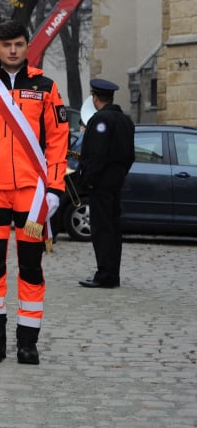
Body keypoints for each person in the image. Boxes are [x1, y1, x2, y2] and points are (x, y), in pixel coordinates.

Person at [0, 19, 70, 365]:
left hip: (32, 195)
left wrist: (54, 188)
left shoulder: (47, 88)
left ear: (27, 47)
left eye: (19, 44)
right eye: (6, 45)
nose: (12, 50)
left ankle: (27, 342)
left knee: (31, 267)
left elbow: (57, 141)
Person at [77, 79, 135, 289]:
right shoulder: (125, 120)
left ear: (95, 98)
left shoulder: (101, 119)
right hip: (115, 182)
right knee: (113, 228)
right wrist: (119, 175)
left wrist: (88, 180)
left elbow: (96, 154)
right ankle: (112, 273)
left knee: (102, 229)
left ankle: (105, 274)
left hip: (100, 183)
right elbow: (130, 156)